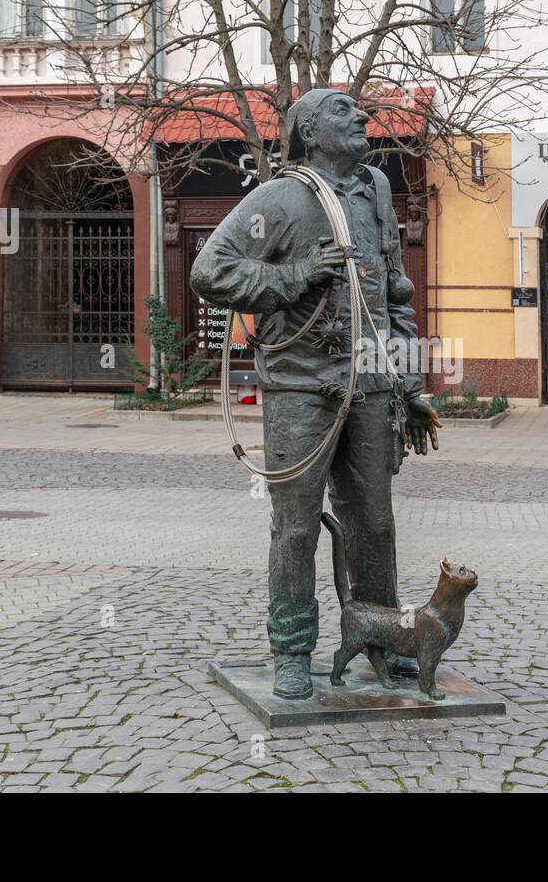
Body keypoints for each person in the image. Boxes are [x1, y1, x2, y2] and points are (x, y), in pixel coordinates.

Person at [190, 89, 442, 700]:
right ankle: (294, 648)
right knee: (296, 527)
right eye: (342, 111)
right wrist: (296, 275)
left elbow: (395, 297)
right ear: (307, 130)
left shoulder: (376, 191)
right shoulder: (277, 198)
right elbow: (208, 272)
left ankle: (383, 641)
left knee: (375, 524)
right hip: (301, 385)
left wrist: (409, 386)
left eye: (360, 109)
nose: (360, 117)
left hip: (372, 385)